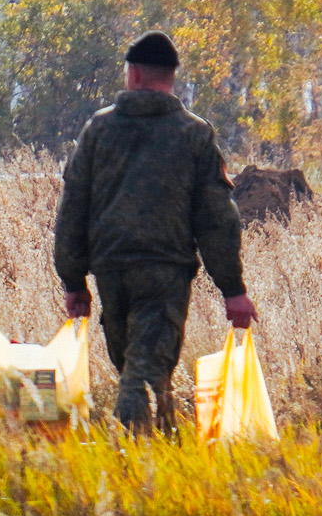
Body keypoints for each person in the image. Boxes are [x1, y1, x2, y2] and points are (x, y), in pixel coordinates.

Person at [51, 31, 257, 434]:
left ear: (133, 74)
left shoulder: (99, 130)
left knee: (138, 364)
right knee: (143, 370)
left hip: (110, 272)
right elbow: (216, 219)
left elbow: (72, 207)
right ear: (171, 77)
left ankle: (161, 450)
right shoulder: (194, 134)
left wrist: (73, 280)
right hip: (164, 274)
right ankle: (131, 457)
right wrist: (232, 287)